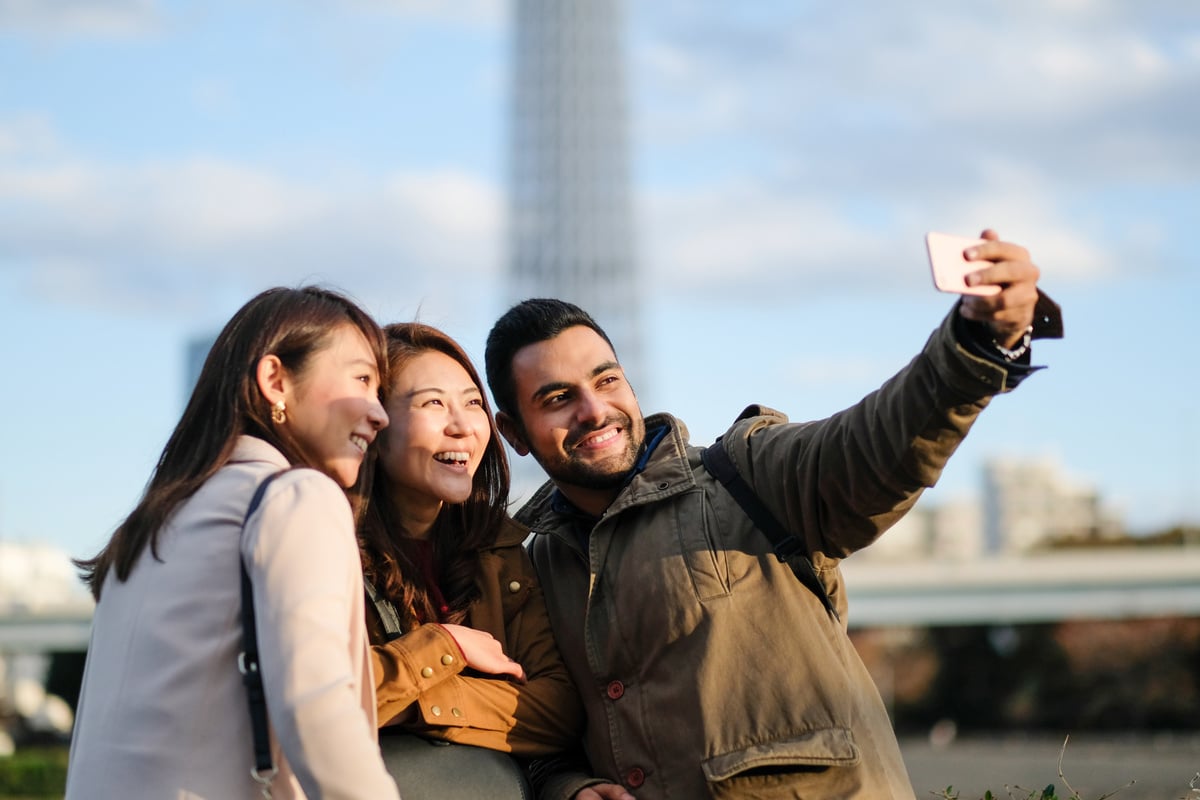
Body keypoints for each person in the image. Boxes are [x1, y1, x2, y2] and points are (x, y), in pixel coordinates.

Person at [483, 230, 1063, 800]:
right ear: (513, 434)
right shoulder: (528, 574)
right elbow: (537, 735)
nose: (594, 410)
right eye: (557, 399)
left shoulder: (746, 474)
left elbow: (875, 443)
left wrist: (974, 343)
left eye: (606, 379)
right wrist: (569, 787)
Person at [66, 286, 400, 800]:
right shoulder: (296, 496)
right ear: (275, 380)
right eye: (362, 379)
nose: (379, 414)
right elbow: (318, 707)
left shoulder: (147, 526)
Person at [359, 323, 584, 754]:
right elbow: (312, 696)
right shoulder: (326, 549)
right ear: (373, 425)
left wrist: (404, 701)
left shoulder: (498, 551)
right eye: (433, 404)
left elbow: (557, 711)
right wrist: (448, 646)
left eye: (473, 403)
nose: (464, 426)